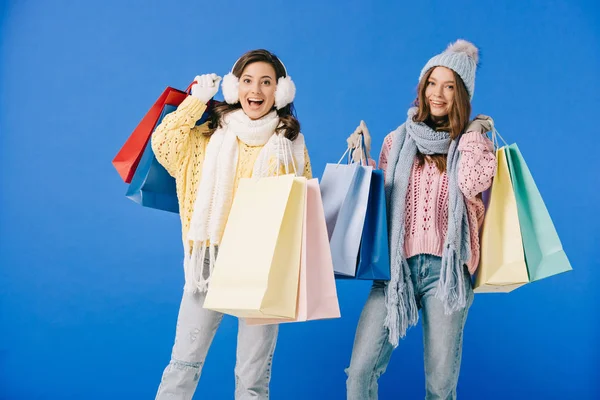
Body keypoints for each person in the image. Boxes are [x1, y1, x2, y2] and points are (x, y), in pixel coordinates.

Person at [151, 49, 312, 400]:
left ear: (280, 92)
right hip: (209, 258)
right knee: (184, 365)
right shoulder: (208, 134)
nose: (256, 90)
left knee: (252, 379)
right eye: (248, 81)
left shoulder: (291, 144)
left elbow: (302, 206)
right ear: (234, 87)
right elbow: (163, 144)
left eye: (266, 82)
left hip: (262, 267)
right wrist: (196, 102)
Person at [345, 39, 496, 399]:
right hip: (395, 271)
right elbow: (378, 206)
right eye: (432, 83)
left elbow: (472, 182)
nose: (438, 94)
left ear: (461, 93)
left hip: (446, 275)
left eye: (449, 86)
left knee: (441, 386)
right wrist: (362, 157)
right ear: (422, 86)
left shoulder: (471, 144)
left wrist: (472, 134)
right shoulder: (396, 140)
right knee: (359, 375)